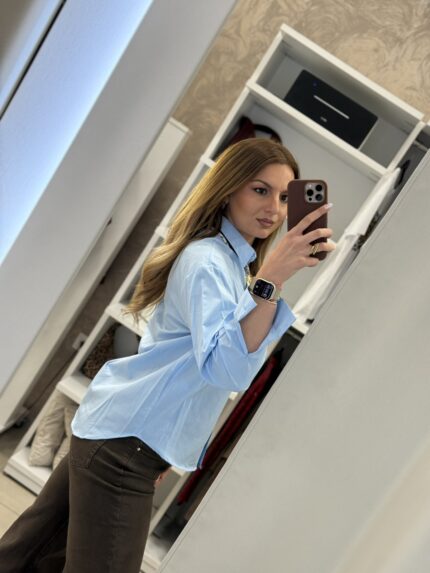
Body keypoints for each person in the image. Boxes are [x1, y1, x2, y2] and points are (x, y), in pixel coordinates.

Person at [0, 138, 335, 572]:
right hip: (124, 446)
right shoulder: (210, 263)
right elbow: (225, 370)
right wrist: (272, 280)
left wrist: (163, 448)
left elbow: (199, 367)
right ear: (228, 190)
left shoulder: (233, 265)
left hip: (123, 435)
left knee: (23, 556)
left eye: (285, 196)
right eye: (260, 190)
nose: (274, 208)